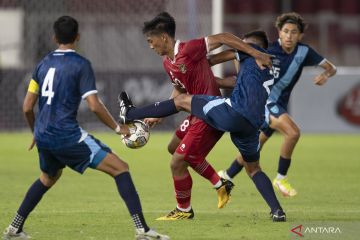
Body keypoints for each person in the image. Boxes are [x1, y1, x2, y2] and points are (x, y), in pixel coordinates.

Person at [2, 16, 169, 240]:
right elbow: (93, 105)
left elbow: (26, 106)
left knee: (48, 177)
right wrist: (119, 128)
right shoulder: (81, 64)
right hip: (67, 135)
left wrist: (35, 132)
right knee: (120, 168)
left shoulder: (42, 63)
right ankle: (143, 230)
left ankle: (14, 228)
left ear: (54, 37)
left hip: (44, 135)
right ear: (78, 37)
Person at [118, 30, 287, 222]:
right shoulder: (268, 65)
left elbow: (210, 60)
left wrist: (191, 60)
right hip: (252, 124)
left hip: (234, 112)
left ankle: (131, 113)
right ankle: (277, 211)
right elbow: (231, 81)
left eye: (240, 45)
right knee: (254, 169)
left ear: (252, 46)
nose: (236, 49)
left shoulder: (250, 51)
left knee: (182, 102)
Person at [218, 12, 337, 197]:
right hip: (264, 102)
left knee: (252, 149)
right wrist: (242, 77)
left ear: (300, 35)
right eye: (286, 31)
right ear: (279, 32)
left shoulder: (304, 52)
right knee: (293, 132)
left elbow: (332, 68)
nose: (289, 36)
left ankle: (227, 175)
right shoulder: (268, 49)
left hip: (279, 104)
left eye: (294, 32)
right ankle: (281, 178)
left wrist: (324, 76)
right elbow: (240, 53)